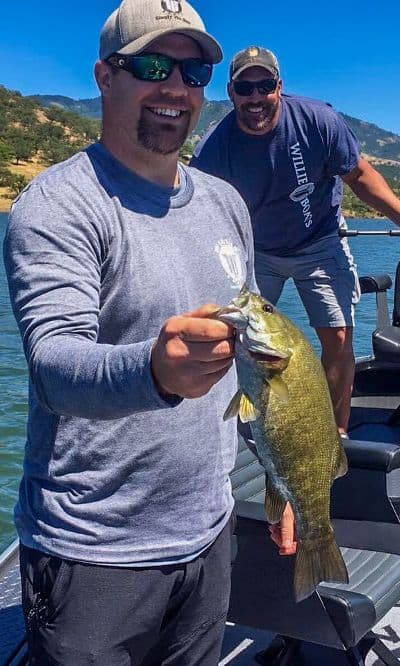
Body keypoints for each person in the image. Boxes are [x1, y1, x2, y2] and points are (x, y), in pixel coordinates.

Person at [3, 1, 257, 664]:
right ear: (104, 76)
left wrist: (291, 485)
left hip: (208, 532)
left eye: (194, 71)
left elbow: (257, 370)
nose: (175, 87)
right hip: (94, 551)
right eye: (150, 64)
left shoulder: (226, 204)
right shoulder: (60, 204)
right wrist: (154, 370)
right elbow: (54, 367)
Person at [191, 45, 400, 437]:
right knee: (226, 337)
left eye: (264, 86)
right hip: (255, 251)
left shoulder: (318, 121)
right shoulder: (215, 147)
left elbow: (360, 176)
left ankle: (335, 437)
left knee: (337, 337)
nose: (255, 98)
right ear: (231, 93)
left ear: (278, 87)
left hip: (320, 241)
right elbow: (198, 211)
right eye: (244, 88)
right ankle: (231, 429)